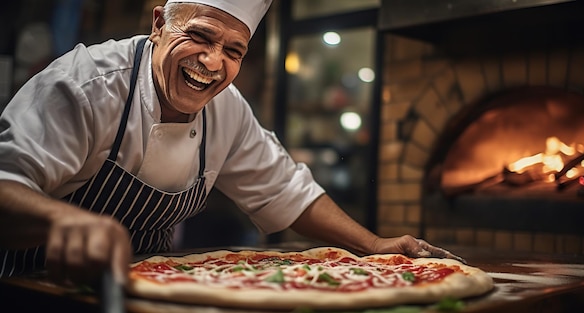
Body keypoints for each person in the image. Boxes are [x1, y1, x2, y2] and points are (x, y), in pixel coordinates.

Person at [0, 0, 463, 287]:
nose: (212, 62)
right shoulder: (84, 86)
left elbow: (289, 194)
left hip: (147, 292)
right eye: (199, 36)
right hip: (35, 286)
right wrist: (66, 222)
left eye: (234, 51)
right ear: (159, 22)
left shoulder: (228, 110)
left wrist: (374, 245)